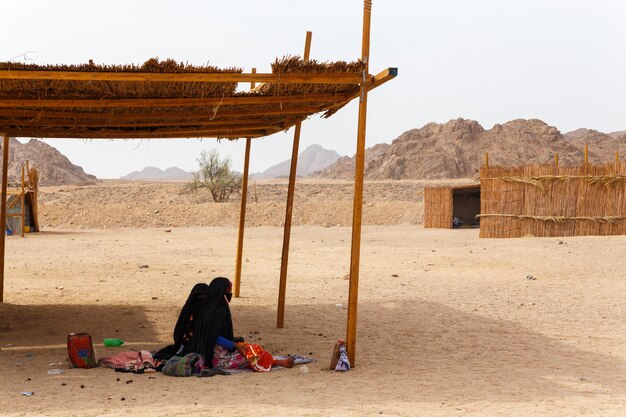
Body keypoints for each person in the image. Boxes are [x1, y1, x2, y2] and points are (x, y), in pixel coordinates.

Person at [155, 277, 293, 371]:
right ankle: (278, 362)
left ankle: (275, 361)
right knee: (255, 352)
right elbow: (214, 336)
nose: (230, 293)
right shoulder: (218, 311)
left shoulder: (208, 309)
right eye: (229, 289)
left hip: (208, 350)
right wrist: (235, 346)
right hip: (216, 356)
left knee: (248, 347)